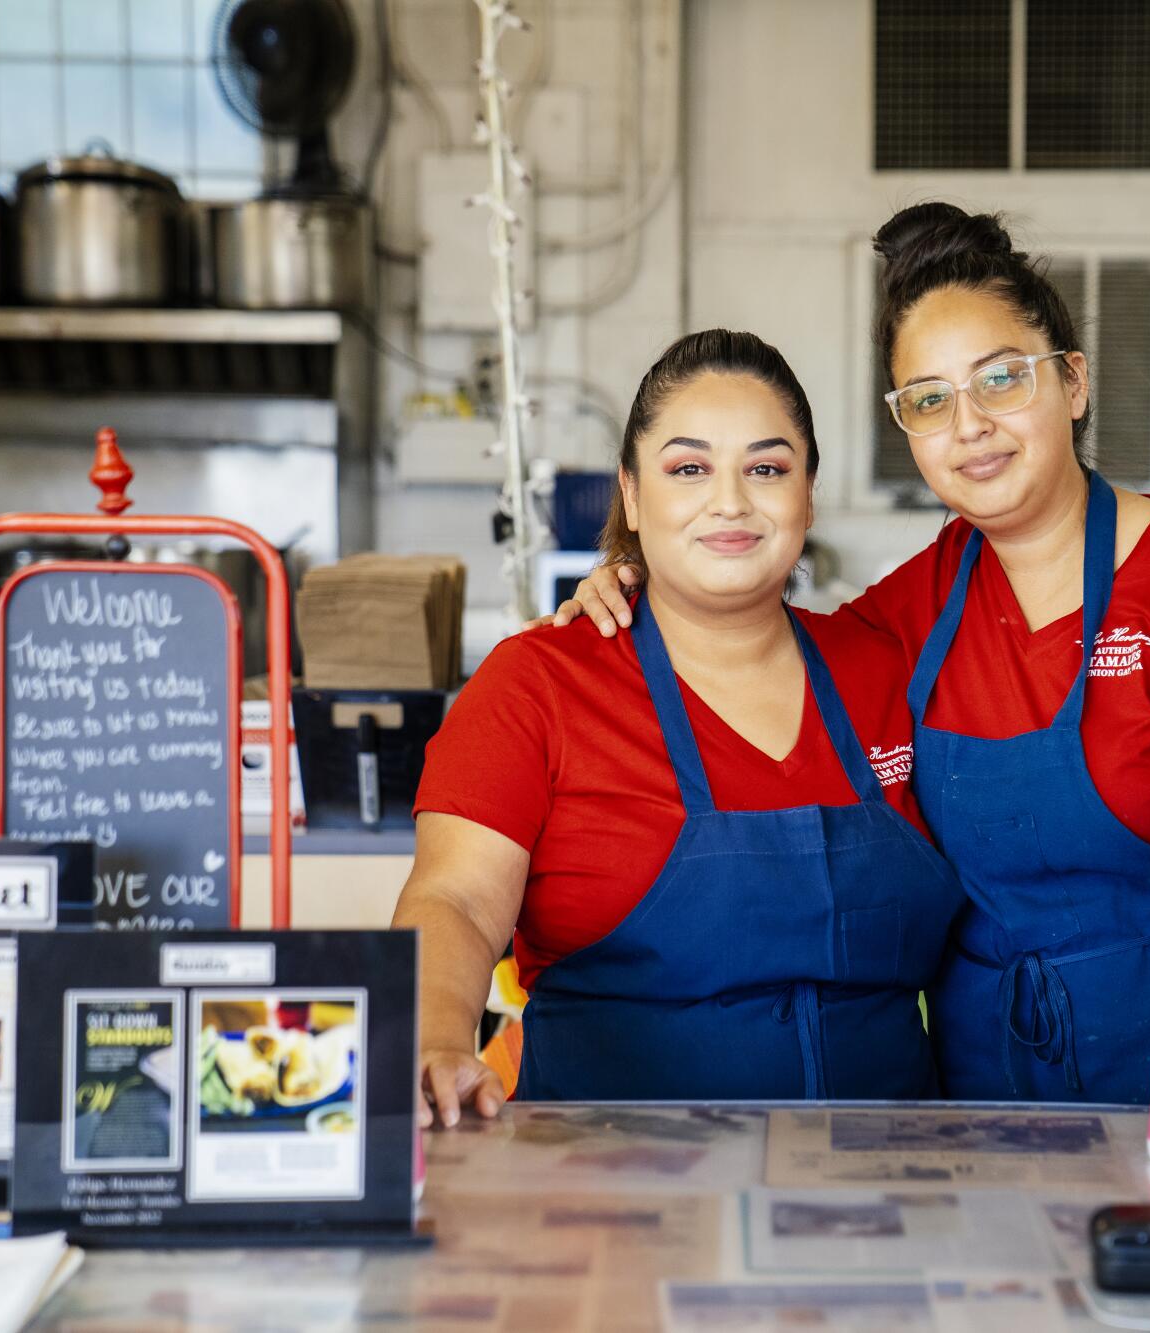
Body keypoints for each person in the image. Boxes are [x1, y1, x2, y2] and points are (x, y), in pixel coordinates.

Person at [553, 205, 1150, 1105]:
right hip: (982, 1100)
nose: (969, 426)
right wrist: (633, 579)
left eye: (1001, 380)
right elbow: (746, 635)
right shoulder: (911, 610)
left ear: (1074, 382)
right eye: (928, 399)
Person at [394, 329, 962, 1125]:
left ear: (807, 495)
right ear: (632, 494)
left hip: (884, 1189)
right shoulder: (540, 683)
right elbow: (454, 899)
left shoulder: (886, 668)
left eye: (766, 468)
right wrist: (431, 1037)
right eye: (688, 468)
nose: (729, 501)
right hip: (610, 1205)